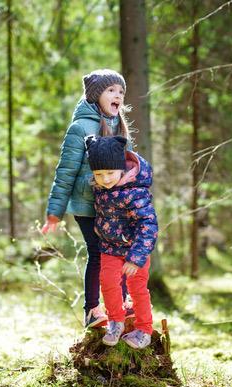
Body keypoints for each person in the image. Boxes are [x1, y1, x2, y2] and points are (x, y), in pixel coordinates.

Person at [41, 69, 132, 329]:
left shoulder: (120, 126)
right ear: (95, 96)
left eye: (121, 92)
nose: (118, 96)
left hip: (114, 206)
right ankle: (92, 309)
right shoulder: (80, 127)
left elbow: (130, 165)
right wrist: (54, 213)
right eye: (111, 90)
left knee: (121, 251)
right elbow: (65, 173)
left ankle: (122, 304)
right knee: (98, 252)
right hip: (87, 205)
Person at [85, 135, 158, 349]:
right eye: (99, 174)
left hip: (134, 251)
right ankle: (115, 321)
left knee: (137, 289)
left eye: (110, 173)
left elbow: (149, 225)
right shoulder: (100, 188)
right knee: (107, 283)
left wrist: (136, 259)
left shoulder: (135, 192)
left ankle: (144, 329)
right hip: (109, 248)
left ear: (121, 170)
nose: (105, 179)